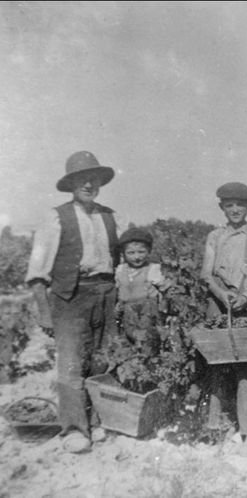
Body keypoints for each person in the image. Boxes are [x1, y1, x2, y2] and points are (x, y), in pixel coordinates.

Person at [25, 151, 125, 453]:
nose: (89, 184)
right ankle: (74, 429)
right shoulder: (56, 217)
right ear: (72, 184)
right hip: (71, 296)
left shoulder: (110, 216)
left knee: (103, 359)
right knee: (71, 363)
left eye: (93, 179)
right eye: (82, 179)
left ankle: (98, 422)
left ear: (100, 183)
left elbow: (122, 261)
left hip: (105, 294)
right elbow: (37, 272)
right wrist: (44, 313)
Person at [199, 182, 247, 457]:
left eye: (240, 205)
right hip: (218, 305)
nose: (235, 210)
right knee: (217, 364)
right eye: (229, 205)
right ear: (222, 208)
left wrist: (245, 297)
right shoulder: (215, 237)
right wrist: (221, 293)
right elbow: (207, 274)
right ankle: (217, 425)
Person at [114, 227, 169, 356]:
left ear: (149, 251)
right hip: (127, 313)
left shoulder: (153, 269)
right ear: (123, 254)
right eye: (131, 253)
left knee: (147, 342)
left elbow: (165, 289)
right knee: (127, 343)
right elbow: (119, 290)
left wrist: (161, 299)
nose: (137, 257)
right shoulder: (120, 270)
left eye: (141, 252)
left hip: (146, 313)